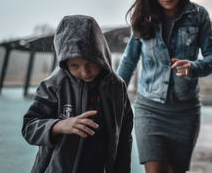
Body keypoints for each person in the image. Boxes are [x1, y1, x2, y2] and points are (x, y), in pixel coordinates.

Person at [117, 0, 212, 173]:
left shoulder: (198, 15)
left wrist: (193, 67)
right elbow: (128, 61)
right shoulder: (143, 18)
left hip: (185, 110)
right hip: (149, 108)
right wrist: (112, 95)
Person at [22, 15, 133, 173]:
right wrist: (58, 125)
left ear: (100, 56)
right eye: (75, 65)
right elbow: (29, 128)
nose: (84, 71)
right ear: (65, 63)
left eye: (90, 63)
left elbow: (124, 138)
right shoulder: (53, 86)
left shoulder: (117, 87)